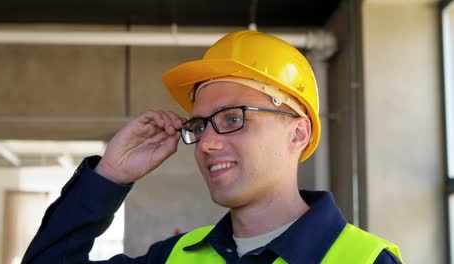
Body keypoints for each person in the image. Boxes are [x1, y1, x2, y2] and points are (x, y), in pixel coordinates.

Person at [23, 30, 404, 264]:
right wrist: (109, 176)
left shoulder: (366, 260)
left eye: (233, 118)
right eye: (200, 125)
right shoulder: (175, 258)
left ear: (298, 133)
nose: (206, 142)